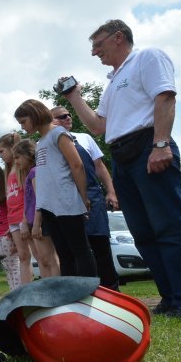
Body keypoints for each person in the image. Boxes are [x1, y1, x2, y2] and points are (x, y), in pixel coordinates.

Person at [63, 19, 181, 315]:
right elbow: (98, 126)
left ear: (118, 37)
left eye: (98, 45)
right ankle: (171, 298)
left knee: (171, 225)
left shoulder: (147, 57)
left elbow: (165, 96)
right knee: (143, 231)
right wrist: (74, 96)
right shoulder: (113, 82)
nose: (94, 53)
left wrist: (161, 144)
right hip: (122, 155)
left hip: (148, 145)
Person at [14, 99, 97, 278]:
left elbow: (77, 165)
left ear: (35, 115)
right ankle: (69, 294)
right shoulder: (41, 142)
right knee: (64, 253)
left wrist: (83, 197)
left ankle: (90, 292)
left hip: (66, 201)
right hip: (49, 207)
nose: (23, 127)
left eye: (23, 122)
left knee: (80, 249)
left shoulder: (58, 133)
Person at [51, 106, 119, 290]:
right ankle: (83, 293)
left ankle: (111, 290)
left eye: (68, 114)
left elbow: (99, 166)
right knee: (76, 248)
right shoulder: (50, 142)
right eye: (61, 116)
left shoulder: (84, 138)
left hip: (92, 195)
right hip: (67, 197)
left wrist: (111, 191)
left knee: (101, 244)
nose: (67, 117)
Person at [13, 139, 60, 278]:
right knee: (43, 260)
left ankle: (56, 292)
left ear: (29, 155)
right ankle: (47, 291)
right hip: (33, 221)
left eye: (17, 157)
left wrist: (37, 224)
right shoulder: (29, 173)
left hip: (40, 221)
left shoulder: (35, 172)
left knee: (50, 259)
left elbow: (40, 198)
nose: (16, 162)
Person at [0, 133, 33, 284]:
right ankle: (25, 292)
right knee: (23, 256)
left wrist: (17, 141)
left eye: (1, 151)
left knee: (36, 255)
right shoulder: (8, 171)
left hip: (24, 216)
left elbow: (27, 194)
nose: (0, 156)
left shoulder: (21, 168)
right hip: (13, 219)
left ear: (12, 149)